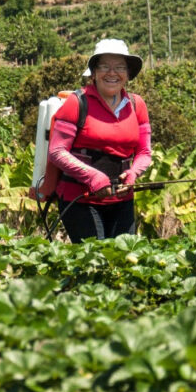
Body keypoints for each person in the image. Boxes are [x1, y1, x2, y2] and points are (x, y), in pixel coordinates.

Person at [47, 39, 152, 242]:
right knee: (94, 262)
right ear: (93, 73)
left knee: (122, 260)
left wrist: (133, 173)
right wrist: (94, 177)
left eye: (120, 67)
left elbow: (144, 152)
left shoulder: (136, 105)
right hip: (80, 198)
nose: (112, 73)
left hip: (122, 199)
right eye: (104, 66)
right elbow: (57, 151)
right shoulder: (76, 103)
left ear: (128, 74)